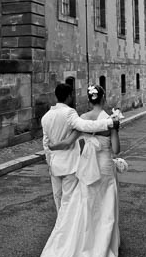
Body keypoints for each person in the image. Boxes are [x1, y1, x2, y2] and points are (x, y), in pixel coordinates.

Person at [27, 84, 121, 257]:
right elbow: (115, 149)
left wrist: (52, 150)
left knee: (82, 207)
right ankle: (102, 247)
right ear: (103, 98)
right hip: (104, 168)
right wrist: (113, 124)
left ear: (89, 99)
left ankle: (75, 241)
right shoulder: (100, 118)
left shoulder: (80, 116)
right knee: (105, 210)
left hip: (84, 170)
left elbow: (70, 141)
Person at [41, 83, 119, 212]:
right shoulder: (70, 113)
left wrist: (50, 160)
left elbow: (47, 143)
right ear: (69, 96)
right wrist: (110, 123)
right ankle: (67, 228)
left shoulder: (45, 117)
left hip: (55, 165)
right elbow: (84, 126)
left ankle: (61, 226)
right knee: (70, 200)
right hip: (72, 165)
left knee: (58, 199)